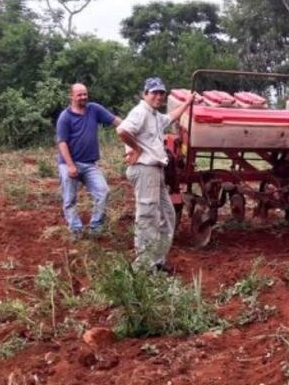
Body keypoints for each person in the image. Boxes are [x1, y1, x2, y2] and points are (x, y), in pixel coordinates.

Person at [116, 77, 195, 272]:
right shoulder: (140, 112)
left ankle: (157, 260)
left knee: (168, 214)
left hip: (156, 171)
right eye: (155, 93)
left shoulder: (155, 115)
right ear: (145, 94)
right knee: (147, 216)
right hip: (144, 169)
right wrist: (136, 149)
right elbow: (122, 130)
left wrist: (187, 103)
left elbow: (171, 117)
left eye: (161, 93)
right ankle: (144, 267)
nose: (159, 96)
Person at [55, 83, 122, 236]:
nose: (83, 97)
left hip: (89, 164)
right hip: (69, 163)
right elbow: (62, 143)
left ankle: (95, 226)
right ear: (71, 96)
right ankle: (76, 230)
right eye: (79, 95)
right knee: (69, 200)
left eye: (85, 94)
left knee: (103, 192)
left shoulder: (94, 109)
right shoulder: (65, 117)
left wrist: (131, 127)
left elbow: (114, 121)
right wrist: (71, 166)